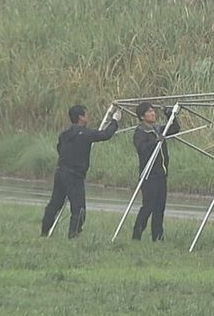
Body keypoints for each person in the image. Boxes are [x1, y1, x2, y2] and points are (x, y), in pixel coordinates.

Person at [40, 104, 120, 239]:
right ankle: (74, 233)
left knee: (55, 203)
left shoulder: (64, 135)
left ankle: (44, 230)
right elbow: (105, 135)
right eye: (86, 115)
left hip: (60, 172)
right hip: (74, 175)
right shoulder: (86, 134)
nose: (87, 117)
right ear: (81, 117)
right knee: (79, 208)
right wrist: (115, 121)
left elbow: (60, 149)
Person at [131, 102, 181, 241]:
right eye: (149, 112)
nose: (153, 113)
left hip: (161, 175)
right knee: (148, 206)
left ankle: (158, 237)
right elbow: (142, 149)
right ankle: (137, 234)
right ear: (142, 116)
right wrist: (155, 142)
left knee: (160, 208)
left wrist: (170, 114)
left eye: (153, 111)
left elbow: (175, 128)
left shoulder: (158, 129)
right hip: (149, 176)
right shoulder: (140, 133)